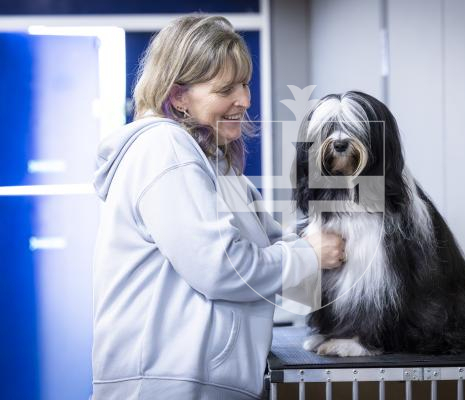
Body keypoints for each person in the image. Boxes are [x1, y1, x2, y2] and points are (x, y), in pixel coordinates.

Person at [92, 14, 345, 400]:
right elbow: (221, 267)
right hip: (168, 388)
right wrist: (310, 253)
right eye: (226, 88)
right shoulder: (164, 150)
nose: (244, 100)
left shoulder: (219, 167)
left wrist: (339, 238)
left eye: (244, 83)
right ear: (179, 97)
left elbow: (274, 248)